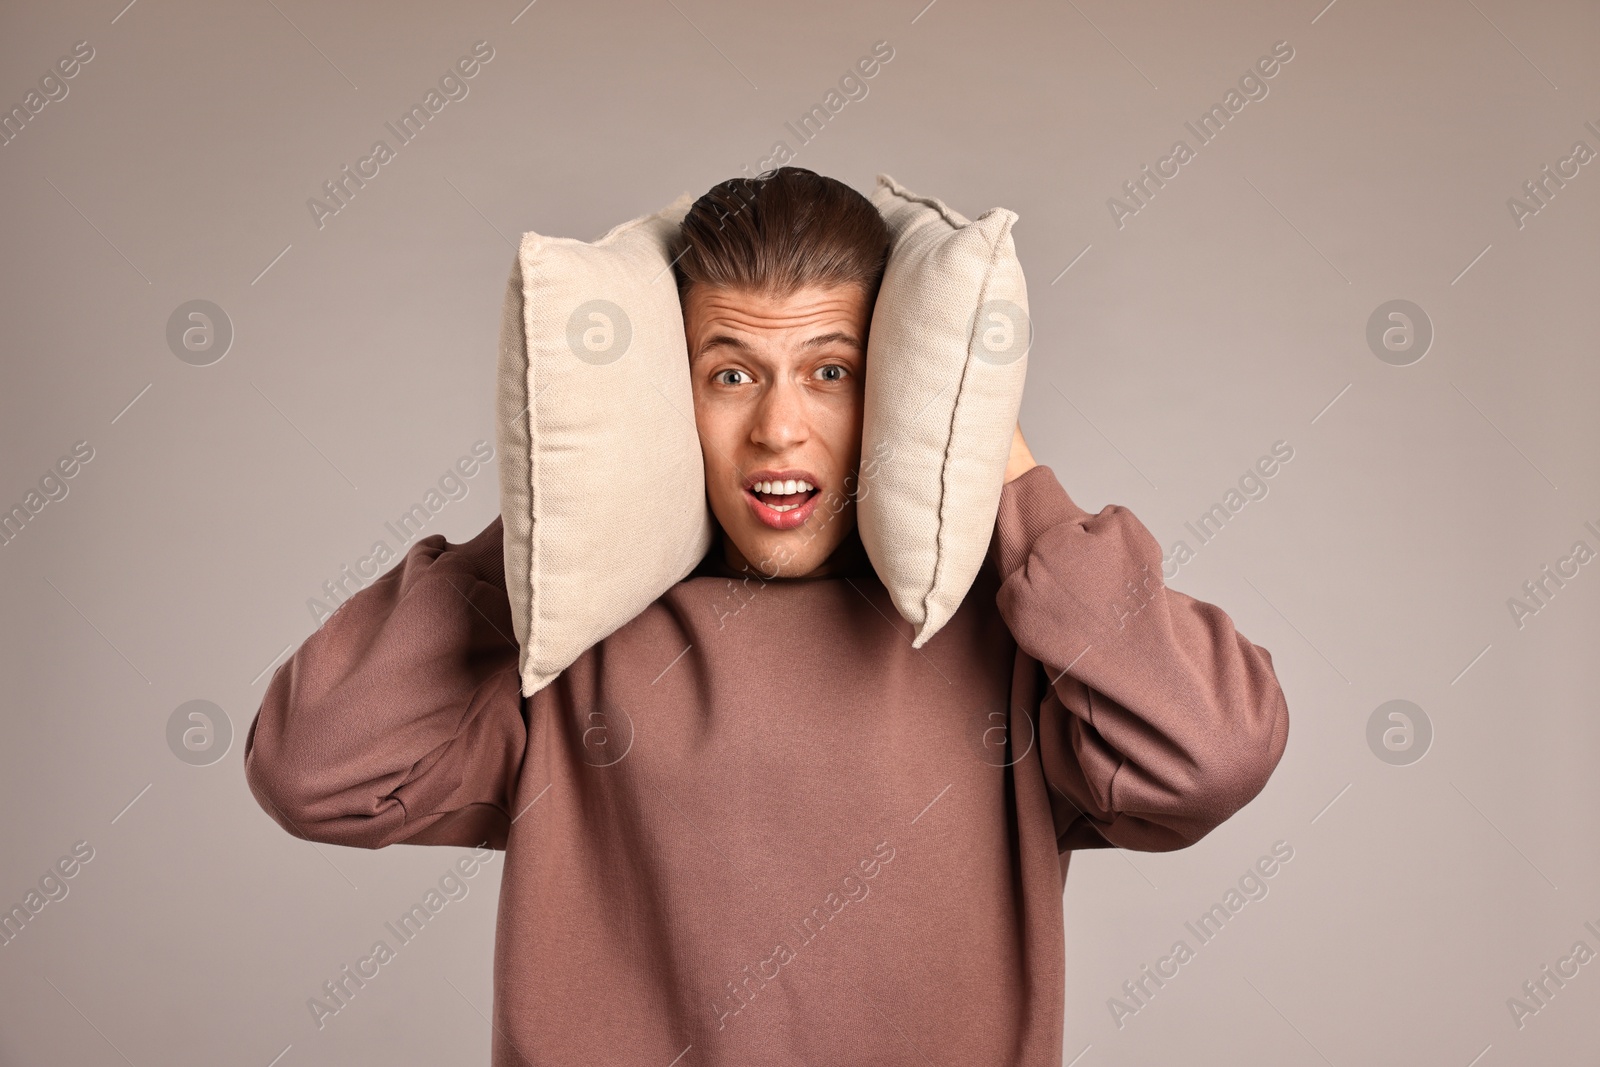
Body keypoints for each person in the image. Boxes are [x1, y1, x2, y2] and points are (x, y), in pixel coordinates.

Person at [244, 166, 1290, 1065]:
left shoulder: (1005, 643)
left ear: (894, 386)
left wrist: (996, 462)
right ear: (667, 393)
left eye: (832, 372)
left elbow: (1208, 754)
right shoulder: (576, 655)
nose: (778, 426)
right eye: (729, 374)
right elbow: (314, 770)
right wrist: (556, 506)